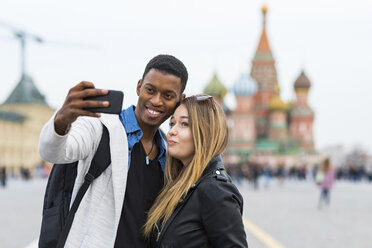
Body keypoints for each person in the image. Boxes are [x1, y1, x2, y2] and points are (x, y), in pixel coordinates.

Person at [38, 54, 188, 247]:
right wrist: (61, 120)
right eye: (150, 90)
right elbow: (52, 152)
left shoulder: (169, 153)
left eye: (168, 96)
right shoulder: (100, 128)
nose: (156, 101)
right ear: (139, 86)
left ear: (180, 99)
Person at [143, 95, 248, 247]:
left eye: (184, 124)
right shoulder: (177, 185)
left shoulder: (215, 190)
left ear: (205, 132)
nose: (172, 131)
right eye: (172, 123)